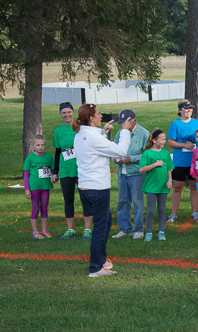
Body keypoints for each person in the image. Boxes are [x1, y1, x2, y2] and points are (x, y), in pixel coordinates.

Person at [74, 103, 133, 277]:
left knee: (106, 220)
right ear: (91, 118)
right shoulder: (93, 138)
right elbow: (120, 151)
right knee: (101, 226)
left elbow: (93, 143)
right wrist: (125, 131)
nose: (101, 116)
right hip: (97, 188)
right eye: (98, 114)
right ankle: (95, 268)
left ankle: (100, 259)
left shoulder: (80, 135)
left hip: (86, 187)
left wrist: (103, 132)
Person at [52, 102, 93, 239]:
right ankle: (70, 230)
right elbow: (58, 152)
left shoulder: (80, 128)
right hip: (65, 170)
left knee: (85, 198)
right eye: (63, 112)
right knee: (68, 199)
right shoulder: (58, 131)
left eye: (68, 112)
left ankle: (87, 229)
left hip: (81, 169)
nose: (66, 115)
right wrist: (55, 172)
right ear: (60, 114)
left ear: (73, 113)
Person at [112, 109, 149, 240]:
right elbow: (114, 149)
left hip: (136, 173)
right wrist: (114, 158)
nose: (123, 125)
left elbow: (147, 155)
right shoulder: (120, 133)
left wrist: (131, 159)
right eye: (122, 122)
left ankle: (138, 230)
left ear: (134, 121)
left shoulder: (144, 133)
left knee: (137, 202)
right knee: (122, 202)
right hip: (122, 173)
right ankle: (125, 229)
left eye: (126, 122)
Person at [167, 100, 198, 223]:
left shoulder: (197, 123)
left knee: (194, 186)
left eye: (190, 108)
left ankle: (195, 213)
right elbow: (170, 142)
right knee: (177, 187)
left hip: (194, 161)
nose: (189, 110)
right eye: (186, 108)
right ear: (180, 110)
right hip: (180, 161)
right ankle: (173, 214)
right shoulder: (175, 124)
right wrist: (184, 145)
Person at [139, 129, 174, 242]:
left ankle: (161, 232)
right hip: (151, 186)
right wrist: (155, 164)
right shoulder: (147, 153)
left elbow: (169, 168)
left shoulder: (166, 153)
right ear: (154, 140)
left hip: (163, 186)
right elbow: (141, 169)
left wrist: (170, 180)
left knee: (162, 210)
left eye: (164, 139)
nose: (164, 142)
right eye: (162, 139)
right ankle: (148, 233)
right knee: (150, 211)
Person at [23, 134, 55, 239]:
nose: (40, 147)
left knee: (44, 208)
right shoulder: (30, 158)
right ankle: (35, 231)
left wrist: (54, 176)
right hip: (34, 187)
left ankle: (44, 230)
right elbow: (26, 174)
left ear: (45, 145)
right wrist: (27, 189)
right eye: (37, 145)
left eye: (42, 145)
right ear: (33, 145)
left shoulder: (49, 156)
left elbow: (53, 170)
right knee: (35, 208)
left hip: (45, 186)